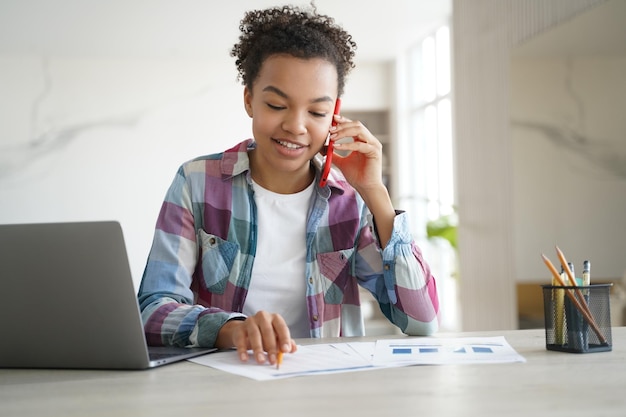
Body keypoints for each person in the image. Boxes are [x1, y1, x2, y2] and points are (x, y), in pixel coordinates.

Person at [137, 4, 439, 367]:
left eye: (315, 112)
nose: (296, 126)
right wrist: (233, 330)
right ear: (249, 99)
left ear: (334, 115)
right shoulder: (196, 182)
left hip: (324, 386)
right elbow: (152, 308)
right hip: (221, 384)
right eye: (277, 105)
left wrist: (375, 193)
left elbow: (421, 321)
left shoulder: (350, 202)